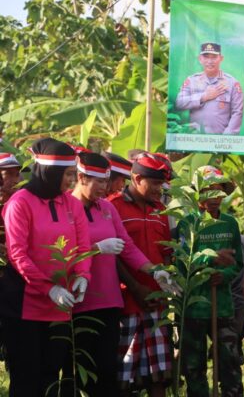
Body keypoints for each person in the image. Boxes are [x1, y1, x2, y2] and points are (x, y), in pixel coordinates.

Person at [69, 152, 177, 396]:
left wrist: (155, 270)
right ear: (80, 178)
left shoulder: (106, 208)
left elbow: (127, 246)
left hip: (110, 301)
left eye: (106, 181)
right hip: (79, 301)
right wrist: (96, 249)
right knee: (81, 374)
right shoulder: (67, 206)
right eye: (98, 181)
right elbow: (63, 251)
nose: (104, 187)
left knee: (109, 373)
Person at [0, 138, 92, 396]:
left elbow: (83, 247)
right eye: (68, 175)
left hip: (60, 306)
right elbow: (18, 254)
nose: (72, 181)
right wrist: (48, 288)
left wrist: (83, 275)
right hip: (24, 304)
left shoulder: (71, 203)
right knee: (27, 377)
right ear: (50, 173)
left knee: (52, 376)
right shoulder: (19, 203)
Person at [107, 153, 176, 396]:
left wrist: (165, 290)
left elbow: (167, 253)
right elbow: (113, 255)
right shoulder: (113, 206)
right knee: (125, 373)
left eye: (162, 183)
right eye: (155, 183)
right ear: (137, 178)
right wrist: (136, 288)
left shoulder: (162, 210)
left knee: (159, 374)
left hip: (156, 302)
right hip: (126, 301)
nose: (160, 189)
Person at [176, 165, 243, 397]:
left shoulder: (230, 224)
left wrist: (223, 275)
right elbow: (181, 262)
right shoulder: (187, 223)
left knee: (230, 361)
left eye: (218, 191)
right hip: (194, 306)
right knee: (193, 367)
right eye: (207, 191)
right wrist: (207, 269)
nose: (214, 198)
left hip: (222, 306)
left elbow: (238, 264)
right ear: (196, 194)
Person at [175, 43, 244, 135]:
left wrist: (227, 138)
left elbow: (237, 112)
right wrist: (203, 97)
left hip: (220, 141)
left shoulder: (232, 83)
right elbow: (179, 103)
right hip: (194, 140)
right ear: (200, 59)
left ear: (221, 58)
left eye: (214, 57)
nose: (210, 61)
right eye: (206, 57)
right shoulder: (191, 81)